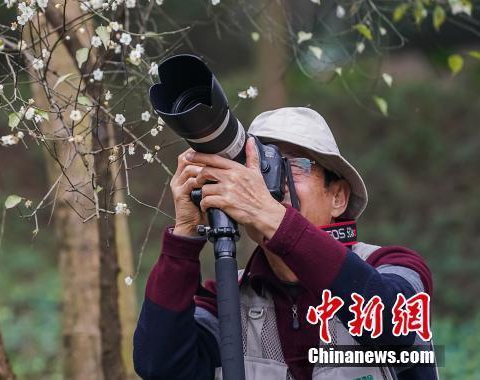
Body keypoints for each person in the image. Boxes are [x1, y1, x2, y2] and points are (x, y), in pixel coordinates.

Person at [133, 107, 437, 380]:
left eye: (294, 165)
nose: (273, 183)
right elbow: (159, 367)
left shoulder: (393, 266)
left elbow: (393, 324)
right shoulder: (226, 300)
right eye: (262, 166)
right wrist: (186, 231)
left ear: (338, 196)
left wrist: (275, 219)